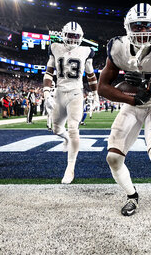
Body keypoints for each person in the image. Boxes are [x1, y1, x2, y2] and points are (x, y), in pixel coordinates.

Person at [97, 3, 151, 247]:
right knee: (113, 159)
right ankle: (132, 195)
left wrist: (148, 88)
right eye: (137, 25)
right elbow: (102, 87)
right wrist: (131, 98)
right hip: (132, 104)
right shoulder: (117, 48)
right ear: (128, 28)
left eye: (148, 25)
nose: (143, 30)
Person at [43, 21, 98, 184]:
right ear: (63, 35)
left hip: (76, 93)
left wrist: (95, 94)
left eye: (76, 36)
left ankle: (70, 168)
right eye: (70, 35)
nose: (73, 39)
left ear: (81, 37)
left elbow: (91, 75)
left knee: (74, 128)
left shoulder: (86, 51)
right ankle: (65, 139)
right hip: (59, 92)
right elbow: (48, 72)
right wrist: (46, 93)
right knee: (56, 130)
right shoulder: (54, 48)